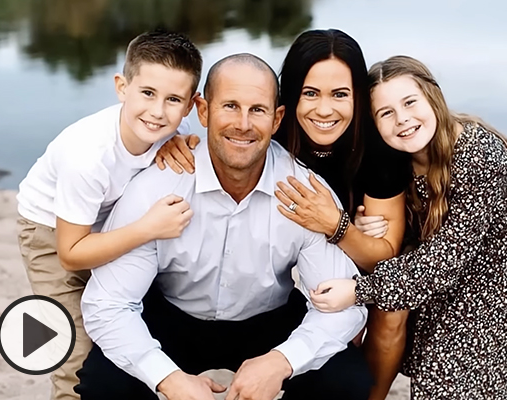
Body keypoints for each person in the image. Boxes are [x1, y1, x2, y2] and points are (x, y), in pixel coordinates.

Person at [74, 54, 372, 400]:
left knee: (347, 381)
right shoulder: (157, 185)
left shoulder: (303, 192)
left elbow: (346, 307)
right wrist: (168, 378)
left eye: (257, 110)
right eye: (230, 106)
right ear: (203, 111)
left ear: (277, 119)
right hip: (174, 314)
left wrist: (282, 361)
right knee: (102, 383)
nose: (243, 124)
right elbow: (107, 304)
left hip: (268, 319)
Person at [155, 29, 411, 399]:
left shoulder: (376, 151)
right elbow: (229, 128)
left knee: (373, 320)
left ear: (359, 96)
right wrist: (179, 138)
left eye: (340, 94)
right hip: (261, 269)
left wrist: (338, 227)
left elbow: (385, 255)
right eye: (310, 93)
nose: (324, 110)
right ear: (287, 102)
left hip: (345, 249)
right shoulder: (264, 132)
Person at [309, 55, 507, 399]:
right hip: (442, 276)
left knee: (444, 372)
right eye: (386, 113)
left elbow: (446, 257)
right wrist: (364, 225)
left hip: (504, 280)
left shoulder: (478, 154)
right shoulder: (394, 161)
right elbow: (416, 242)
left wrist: (358, 290)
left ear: (433, 97)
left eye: (410, 102)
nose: (402, 120)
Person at [15, 29, 202, 400]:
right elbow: (71, 254)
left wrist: (185, 142)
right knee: (76, 353)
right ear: (121, 87)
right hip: (51, 233)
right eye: (147, 93)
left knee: (129, 330)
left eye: (173, 100)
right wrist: (148, 228)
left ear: (190, 106)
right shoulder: (87, 155)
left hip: (109, 221)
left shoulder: (174, 131)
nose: (157, 111)